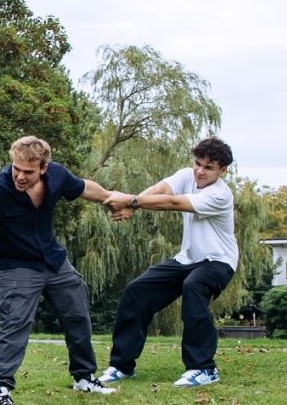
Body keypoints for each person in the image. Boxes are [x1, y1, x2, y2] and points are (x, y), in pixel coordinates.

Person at [0, 136, 117, 405]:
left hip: (53, 260)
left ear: (43, 168)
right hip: (16, 265)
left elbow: (84, 187)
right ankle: (1, 391)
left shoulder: (57, 175)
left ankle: (84, 378)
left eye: (28, 171)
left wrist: (111, 199)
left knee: (77, 315)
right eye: (16, 168)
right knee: (14, 324)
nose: (20, 176)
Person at [99, 137, 236, 388]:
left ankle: (204, 369)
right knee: (137, 291)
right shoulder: (187, 176)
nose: (200, 171)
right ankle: (121, 366)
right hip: (187, 259)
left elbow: (172, 203)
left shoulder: (220, 195)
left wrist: (131, 201)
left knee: (194, 286)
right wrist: (132, 205)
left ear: (222, 170)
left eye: (208, 168)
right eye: (197, 163)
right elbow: (160, 190)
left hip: (218, 261)